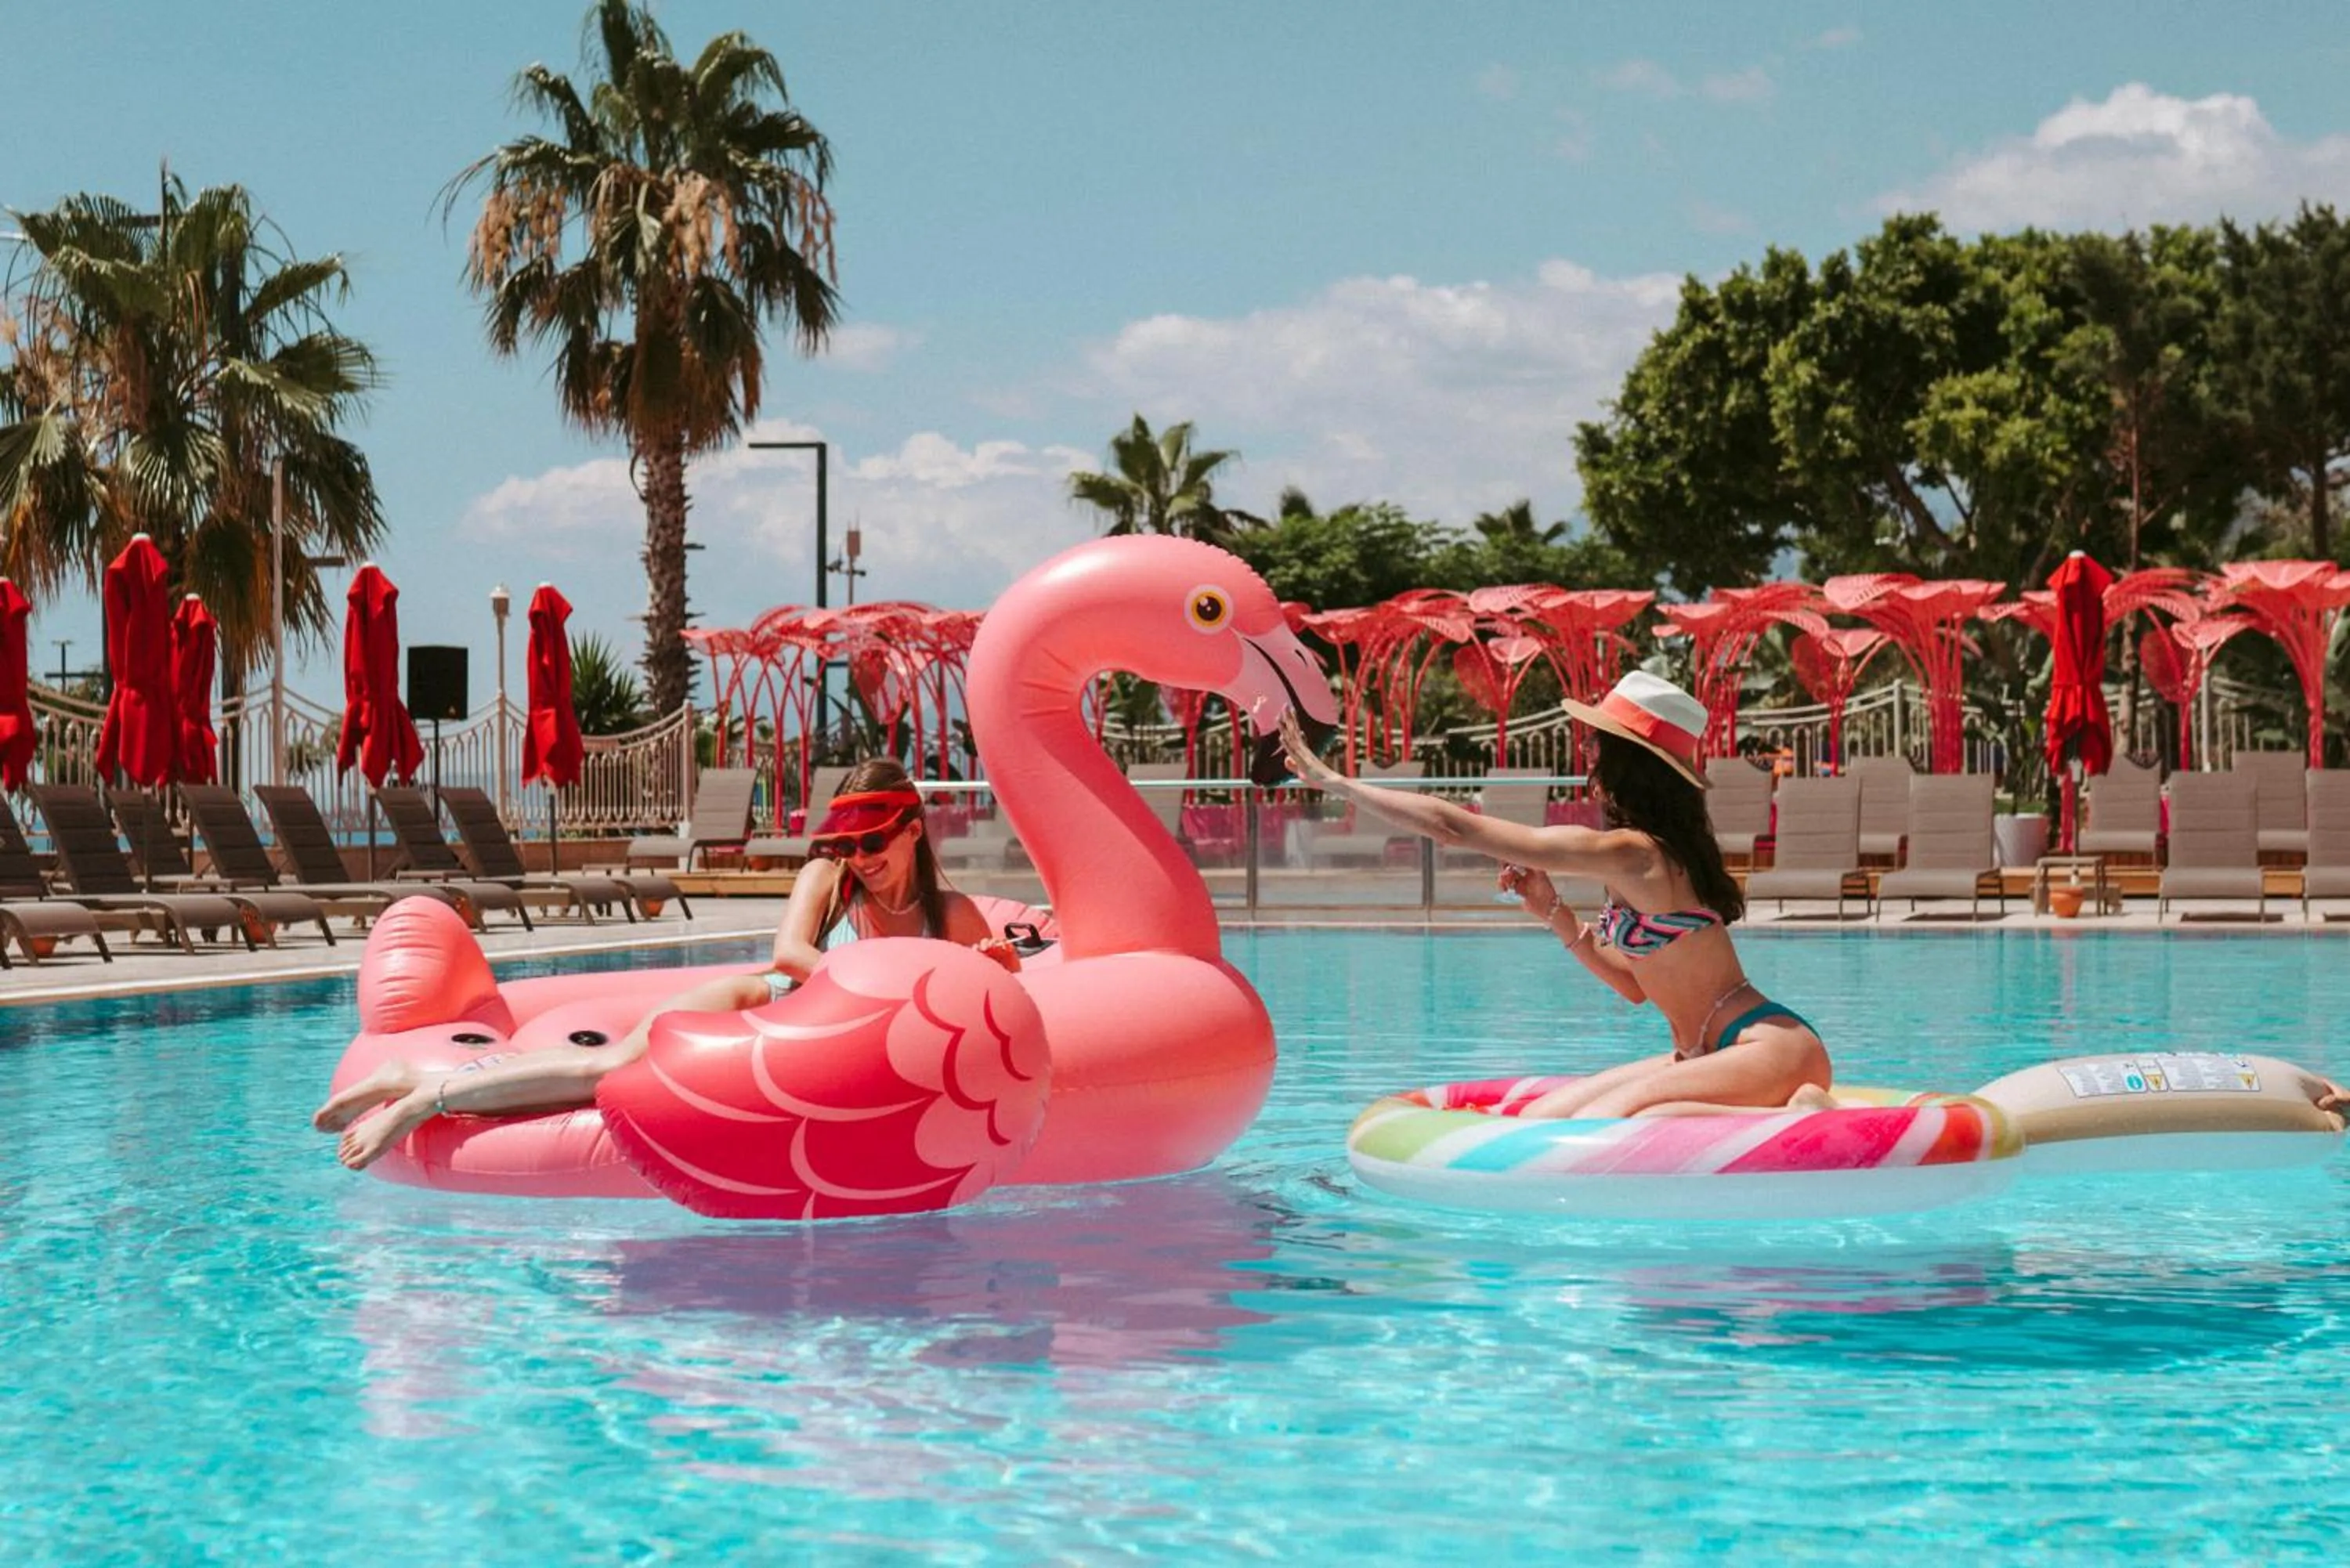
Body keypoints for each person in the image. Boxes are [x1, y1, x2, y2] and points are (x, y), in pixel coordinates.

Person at [314, 758, 1021, 1169]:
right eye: (850, 844)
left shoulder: (951, 916)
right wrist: (879, 984)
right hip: (752, 1015)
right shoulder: (828, 882)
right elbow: (789, 955)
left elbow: (988, 1011)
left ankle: (415, 1072)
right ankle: (419, 1102)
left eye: (873, 842)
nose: (860, 858)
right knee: (604, 1073)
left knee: (592, 1094)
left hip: (821, 1062)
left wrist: (998, 968)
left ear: (912, 830)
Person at [1280, 671, 1831, 1120]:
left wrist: (1338, 782)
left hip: (1766, 1046)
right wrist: (1550, 909)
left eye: (1598, 745)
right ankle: (1778, 1104)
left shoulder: (1634, 853)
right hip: (1705, 1050)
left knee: (1610, 1123)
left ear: (1625, 764)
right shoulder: (1653, 855)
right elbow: (1634, 986)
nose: (1588, 755)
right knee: (1546, 1119)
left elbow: (1459, 829)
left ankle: (1796, 1112)